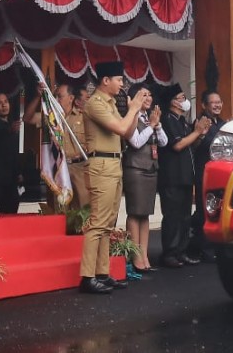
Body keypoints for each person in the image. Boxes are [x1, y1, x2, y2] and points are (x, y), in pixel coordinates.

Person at [79, 61, 147, 294]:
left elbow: (128, 132)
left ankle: (102, 273)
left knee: (108, 224)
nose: (121, 84)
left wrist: (135, 111)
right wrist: (132, 109)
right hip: (101, 163)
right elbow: (119, 128)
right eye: (119, 79)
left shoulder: (109, 103)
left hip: (114, 162)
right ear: (105, 80)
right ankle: (87, 277)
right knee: (98, 222)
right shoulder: (95, 103)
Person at [158, 85, 212, 269]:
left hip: (186, 175)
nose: (185, 100)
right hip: (172, 176)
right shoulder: (167, 119)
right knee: (172, 216)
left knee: (184, 216)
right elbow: (178, 145)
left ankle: (181, 251)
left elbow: (190, 144)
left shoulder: (182, 120)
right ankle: (170, 253)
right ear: (173, 101)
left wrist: (200, 134)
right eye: (181, 97)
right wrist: (196, 132)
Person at [122, 84, 166, 273]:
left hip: (151, 168)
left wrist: (157, 125)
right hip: (136, 169)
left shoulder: (150, 118)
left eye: (149, 95)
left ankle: (145, 255)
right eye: (143, 95)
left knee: (146, 213)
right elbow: (136, 142)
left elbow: (164, 142)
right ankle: (136, 257)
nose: (148, 98)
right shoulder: (130, 117)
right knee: (135, 212)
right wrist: (151, 126)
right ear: (134, 100)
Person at [188, 90, 224, 262]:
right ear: (204, 105)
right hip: (205, 173)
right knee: (205, 211)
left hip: (221, 174)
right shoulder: (200, 122)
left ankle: (215, 246)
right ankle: (204, 249)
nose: (217, 105)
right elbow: (194, 145)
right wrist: (200, 134)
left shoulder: (222, 123)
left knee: (219, 209)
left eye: (219, 102)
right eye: (213, 102)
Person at [65, 83, 90, 209]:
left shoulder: (85, 117)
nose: (89, 102)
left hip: (80, 167)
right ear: (76, 101)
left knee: (83, 209)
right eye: (87, 99)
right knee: (62, 209)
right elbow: (28, 118)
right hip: (61, 169)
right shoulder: (55, 116)